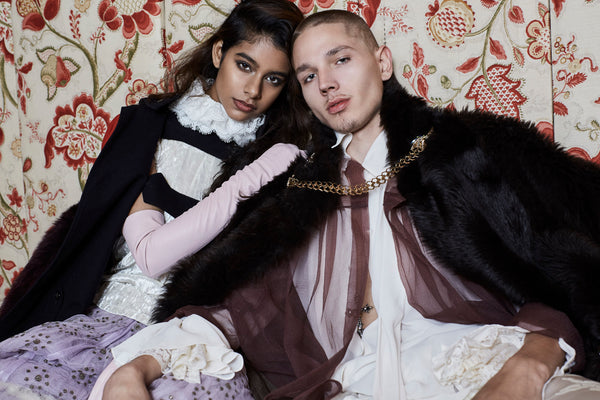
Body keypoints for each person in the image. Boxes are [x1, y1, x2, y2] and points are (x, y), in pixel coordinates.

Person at [97, 9, 600, 400]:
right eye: (308, 76)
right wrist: (139, 366)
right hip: (353, 378)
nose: (328, 84)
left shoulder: (463, 156)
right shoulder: (302, 196)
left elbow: (556, 278)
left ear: (381, 63)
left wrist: (532, 361)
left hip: (477, 363)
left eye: (341, 59)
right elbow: (243, 311)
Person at [0, 0, 310, 399]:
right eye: (245, 65)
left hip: (191, 333)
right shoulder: (149, 125)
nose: (253, 90)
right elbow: (150, 258)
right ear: (219, 53)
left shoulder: (277, 155)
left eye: (274, 79)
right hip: (109, 313)